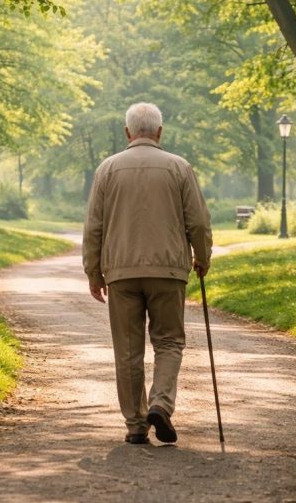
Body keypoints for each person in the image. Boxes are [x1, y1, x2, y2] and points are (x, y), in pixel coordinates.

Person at [82, 102, 213, 445]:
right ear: (159, 132)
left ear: (128, 132)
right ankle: (160, 403)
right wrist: (202, 256)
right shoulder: (179, 167)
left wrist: (93, 272)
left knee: (127, 349)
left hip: (120, 272)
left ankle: (136, 425)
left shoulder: (107, 169)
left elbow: (94, 226)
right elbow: (197, 221)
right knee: (169, 341)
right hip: (168, 270)